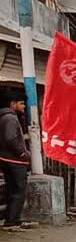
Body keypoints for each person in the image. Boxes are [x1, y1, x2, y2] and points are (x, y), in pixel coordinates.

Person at [0, 91, 34, 231]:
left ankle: (10, 218)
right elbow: (11, 138)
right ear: (13, 104)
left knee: (11, 189)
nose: (24, 106)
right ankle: (13, 221)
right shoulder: (10, 118)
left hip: (5, 158)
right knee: (19, 190)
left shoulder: (3, 117)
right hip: (15, 160)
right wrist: (23, 153)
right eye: (21, 103)